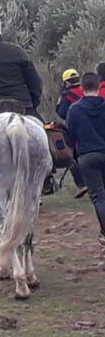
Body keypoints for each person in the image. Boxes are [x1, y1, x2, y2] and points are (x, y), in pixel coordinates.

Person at [65, 73, 105, 246]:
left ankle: (104, 232)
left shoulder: (74, 109)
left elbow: (69, 137)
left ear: (82, 87)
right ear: (98, 86)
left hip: (87, 157)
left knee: (98, 196)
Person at [56, 68, 88, 198]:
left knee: (73, 157)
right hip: (96, 126)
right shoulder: (87, 90)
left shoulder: (66, 95)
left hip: (76, 129)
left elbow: (62, 112)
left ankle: (82, 184)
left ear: (66, 82)